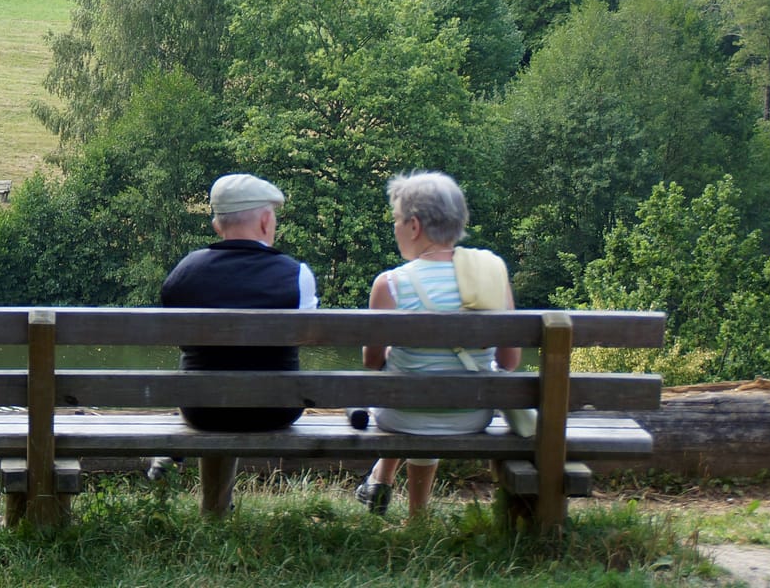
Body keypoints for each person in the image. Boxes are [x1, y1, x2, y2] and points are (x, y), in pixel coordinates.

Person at [349, 170, 519, 518]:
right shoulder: (493, 273)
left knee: (406, 387)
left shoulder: (391, 284)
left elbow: (371, 362)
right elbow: (510, 361)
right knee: (426, 385)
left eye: (396, 220)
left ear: (414, 226)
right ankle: (414, 512)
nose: (395, 228)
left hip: (402, 415)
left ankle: (386, 484)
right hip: (471, 416)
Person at [146, 173, 318, 480]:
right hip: (275, 409)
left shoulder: (185, 272)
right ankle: (216, 509)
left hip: (202, 410)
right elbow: (304, 337)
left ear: (217, 225)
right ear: (266, 221)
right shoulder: (297, 275)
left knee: (211, 377)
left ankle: (213, 510)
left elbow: (177, 336)